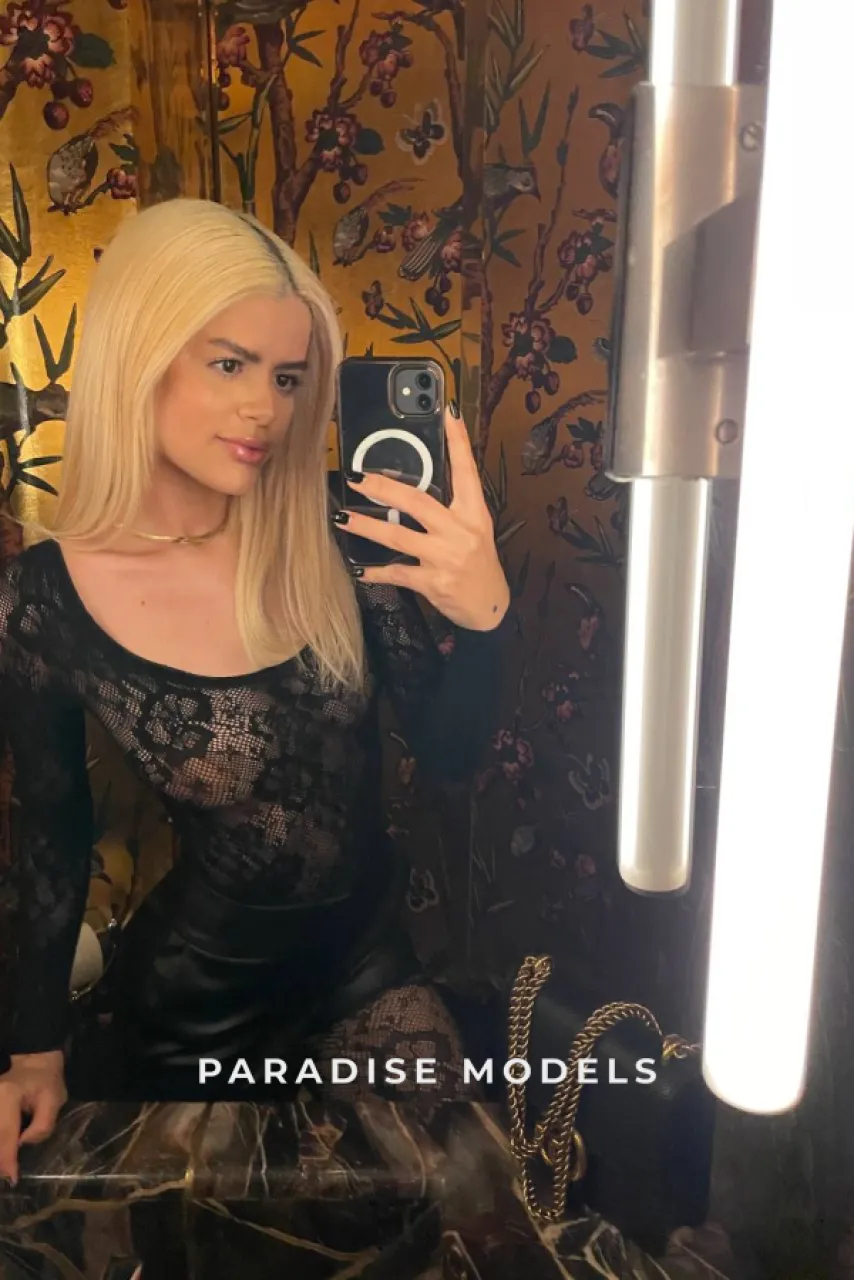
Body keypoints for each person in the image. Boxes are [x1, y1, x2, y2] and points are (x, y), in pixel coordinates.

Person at [0, 198, 510, 1183]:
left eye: (285, 377)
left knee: (448, 1190)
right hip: (195, 1002)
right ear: (140, 357)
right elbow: (53, 835)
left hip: (364, 963)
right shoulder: (42, 601)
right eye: (229, 365)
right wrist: (33, 1048)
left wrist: (486, 620)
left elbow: (450, 756)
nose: (266, 411)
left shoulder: (339, 529)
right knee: (224, 1233)